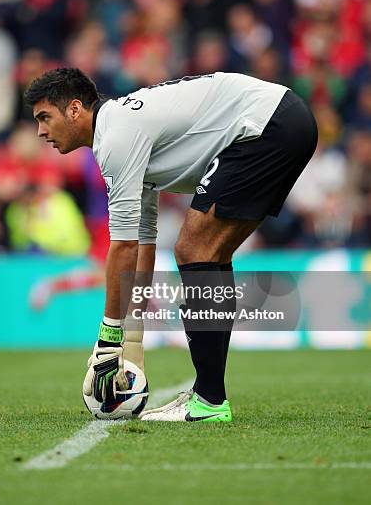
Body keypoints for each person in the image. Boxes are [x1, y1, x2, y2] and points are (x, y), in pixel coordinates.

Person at [24, 67, 318, 422]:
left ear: (74, 109)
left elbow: (123, 247)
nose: (41, 132)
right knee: (209, 254)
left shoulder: (116, 138)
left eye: (45, 118)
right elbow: (144, 244)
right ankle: (209, 398)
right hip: (282, 120)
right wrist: (131, 342)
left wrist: (107, 339)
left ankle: (208, 401)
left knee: (194, 249)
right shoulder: (123, 133)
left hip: (266, 124)